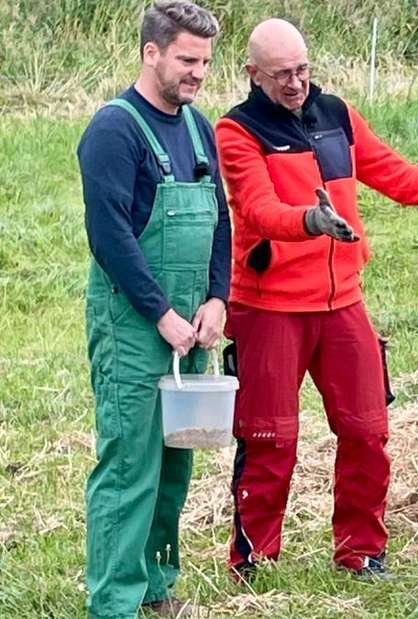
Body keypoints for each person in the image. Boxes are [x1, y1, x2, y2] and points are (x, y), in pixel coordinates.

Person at [215, 18, 418, 580]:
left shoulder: (337, 116)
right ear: (253, 75)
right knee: (271, 439)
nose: (296, 83)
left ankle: (361, 554)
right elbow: (259, 210)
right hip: (268, 307)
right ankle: (255, 562)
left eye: (302, 70)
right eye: (282, 74)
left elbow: (403, 181)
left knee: (368, 430)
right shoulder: (236, 132)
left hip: (343, 303)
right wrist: (311, 221)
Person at [77, 1, 230, 616]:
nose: (199, 73)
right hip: (134, 326)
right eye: (188, 60)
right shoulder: (113, 130)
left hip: (191, 326)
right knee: (130, 466)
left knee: (175, 463)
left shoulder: (198, 128)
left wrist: (217, 297)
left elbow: (221, 219)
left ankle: (156, 588)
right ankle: (114, 602)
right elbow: (109, 235)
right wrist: (160, 313)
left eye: (206, 62)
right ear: (151, 52)